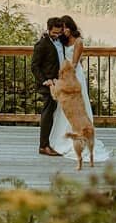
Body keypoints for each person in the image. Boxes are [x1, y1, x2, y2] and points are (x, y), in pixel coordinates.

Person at [48, 16, 110, 161]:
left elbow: (75, 63)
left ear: (71, 26)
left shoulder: (78, 42)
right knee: (64, 106)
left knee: (77, 104)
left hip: (74, 75)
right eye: (62, 28)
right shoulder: (62, 39)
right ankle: (60, 136)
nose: (64, 31)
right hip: (64, 73)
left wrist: (66, 76)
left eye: (65, 27)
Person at [31, 16, 65, 156]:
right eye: (54, 33)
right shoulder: (42, 44)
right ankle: (43, 146)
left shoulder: (60, 40)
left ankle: (54, 142)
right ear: (48, 29)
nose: (57, 35)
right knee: (48, 113)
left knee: (56, 113)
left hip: (60, 82)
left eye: (59, 32)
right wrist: (45, 80)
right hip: (48, 85)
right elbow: (34, 66)